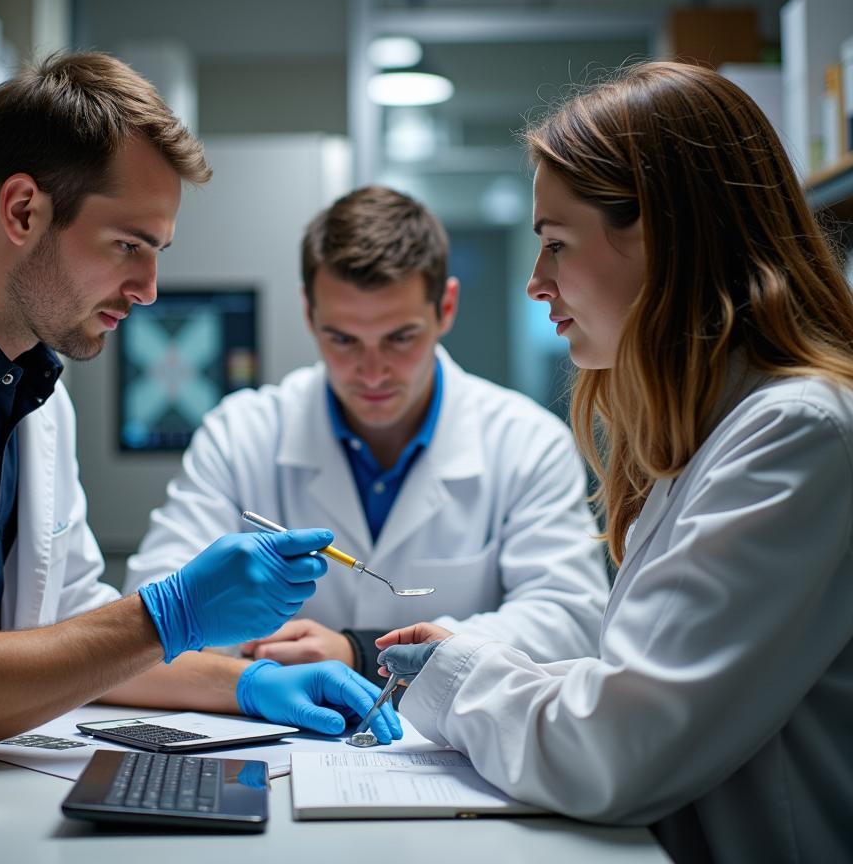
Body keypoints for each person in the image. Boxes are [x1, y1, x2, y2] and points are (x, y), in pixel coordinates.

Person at [0, 52, 399, 747]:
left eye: (156, 249)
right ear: (22, 210)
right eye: (128, 244)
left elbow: (74, 638)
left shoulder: (37, 393)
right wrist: (169, 615)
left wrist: (245, 686)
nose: (149, 288)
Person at [376, 61, 853, 862]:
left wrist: (455, 678)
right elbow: (642, 682)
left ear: (664, 241)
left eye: (557, 245)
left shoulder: (796, 433)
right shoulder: (714, 430)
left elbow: (622, 748)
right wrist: (470, 657)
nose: (537, 283)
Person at [125, 186, 608, 681]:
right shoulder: (240, 435)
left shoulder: (526, 443)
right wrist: (240, 638)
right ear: (309, 314)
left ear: (445, 308)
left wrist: (359, 655)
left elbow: (569, 623)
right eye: (343, 339)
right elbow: (154, 605)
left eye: (400, 338)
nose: (373, 372)